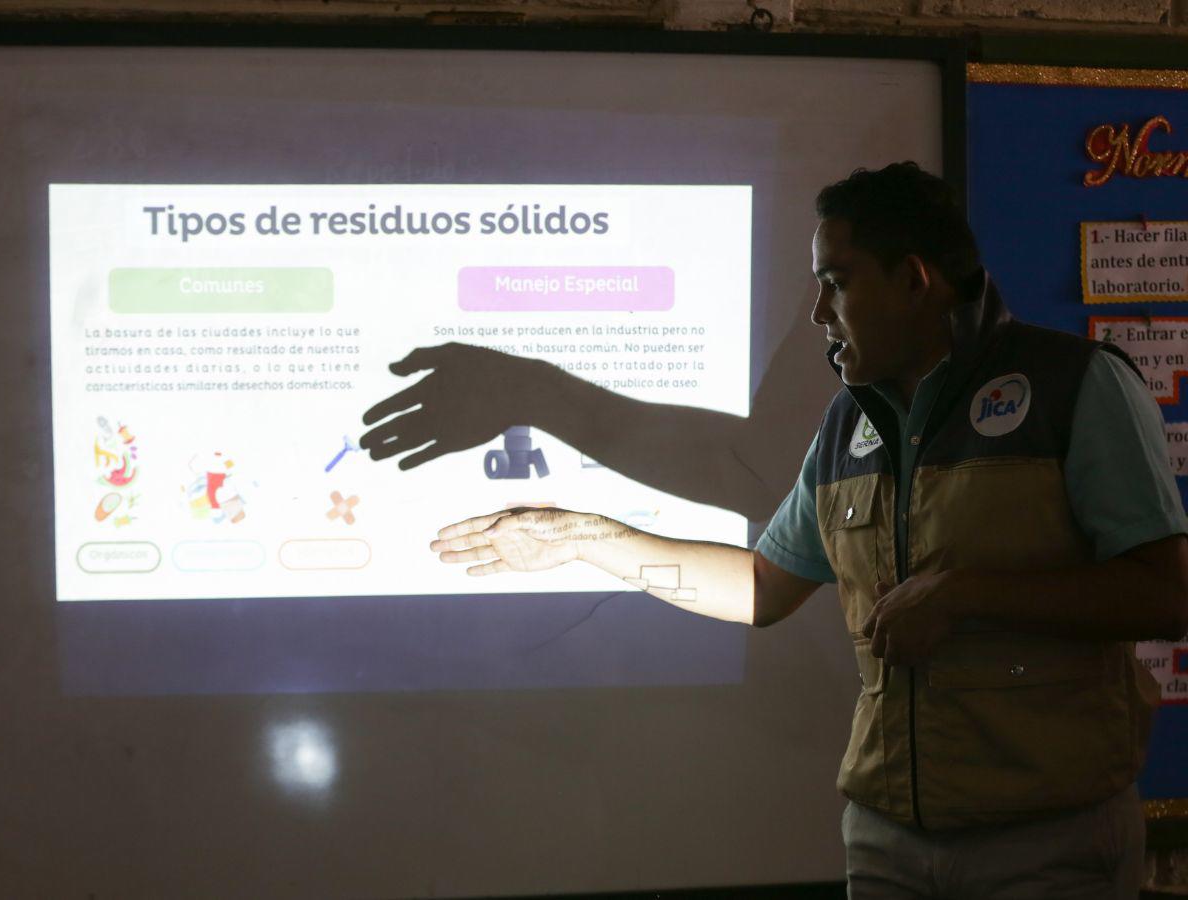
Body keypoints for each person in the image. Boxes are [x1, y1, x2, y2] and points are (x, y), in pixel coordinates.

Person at [421, 163, 1188, 899]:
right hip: (888, 836)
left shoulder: (1076, 385)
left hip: (1044, 841)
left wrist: (966, 595)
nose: (820, 312)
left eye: (837, 281)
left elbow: (1164, 595)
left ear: (913, 280)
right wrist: (583, 537)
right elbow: (763, 588)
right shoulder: (849, 424)